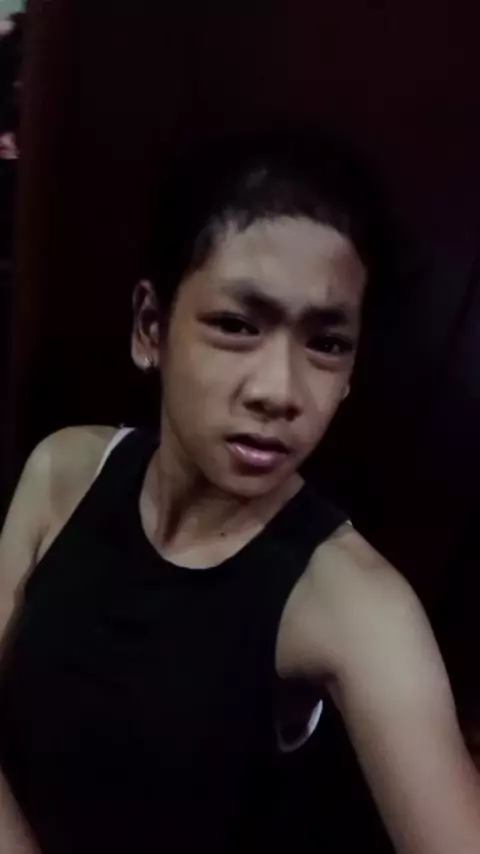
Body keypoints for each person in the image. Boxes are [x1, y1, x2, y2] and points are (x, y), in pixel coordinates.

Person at [0, 130, 479, 854]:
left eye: (327, 343)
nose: (279, 391)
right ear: (151, 328)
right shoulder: (64, 472)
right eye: (235, 325)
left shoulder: (353, 602)